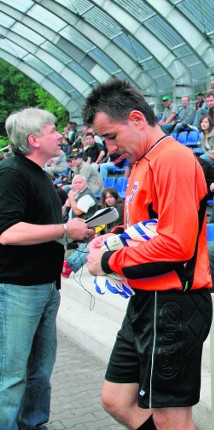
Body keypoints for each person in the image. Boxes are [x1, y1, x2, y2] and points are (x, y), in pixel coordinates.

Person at [83, 78, 213, 429]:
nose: (109, 148)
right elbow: (148, 228)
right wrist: (114, 239)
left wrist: (108, 262)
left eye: (111, 136)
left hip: (174, 305)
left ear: (137, 120)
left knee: (171, 418)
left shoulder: (172, 159)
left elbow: (176, 245)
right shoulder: (143, 162)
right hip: (147, 301)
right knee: (116, 399)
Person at [0, 107, 94, 429]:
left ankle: (35, 425)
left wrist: (77, 235)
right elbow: (9, 233)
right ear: (34, 139)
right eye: (53, 130)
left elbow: (44, 232)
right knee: (11, 377)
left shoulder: (42, 175)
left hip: (45, 288)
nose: (60, 135)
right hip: (17, 291)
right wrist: (66, 230)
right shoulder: (12, 173)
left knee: (39, 373)